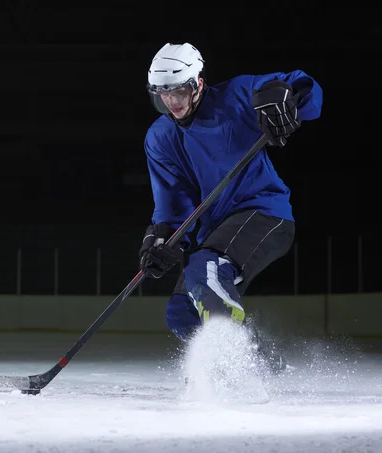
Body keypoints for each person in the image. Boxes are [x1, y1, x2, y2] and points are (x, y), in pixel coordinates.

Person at [138, 42, 323, 373]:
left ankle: (227, 365)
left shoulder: (235, 95)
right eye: (162, 93)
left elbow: (301, 86)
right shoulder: (160, 136)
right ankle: (258, 361)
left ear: (197, 83)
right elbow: (172, 201)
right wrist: (162, 238)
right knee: (181, 313)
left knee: (204, 267)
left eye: (178, 91)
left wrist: (284, 95)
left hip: (264, 212)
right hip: (217, 229)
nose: (171, 101)